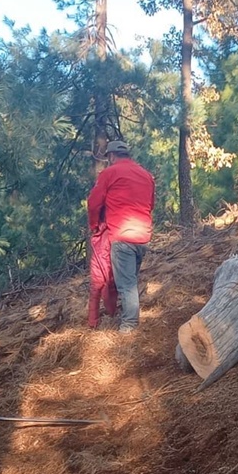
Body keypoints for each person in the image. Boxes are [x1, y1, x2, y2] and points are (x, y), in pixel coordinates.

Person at [87, 140, 155, 333]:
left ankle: (129, 327)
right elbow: (150, 204)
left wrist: (94, 225)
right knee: (129, 280)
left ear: (111, 156)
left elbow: (93, 203)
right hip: (143, 236)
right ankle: (125, 318)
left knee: (126, 285)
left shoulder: (109, 173)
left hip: (122, 235)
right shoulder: (146, 175)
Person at [87, 220, 118, 329]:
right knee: (109, 290)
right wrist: (108, 277)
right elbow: (106, 256)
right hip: (105, 268)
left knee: (94, 294)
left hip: (96, 268)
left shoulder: (96, 235)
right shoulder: (110, 233)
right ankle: (112, 314)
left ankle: (92, 321)